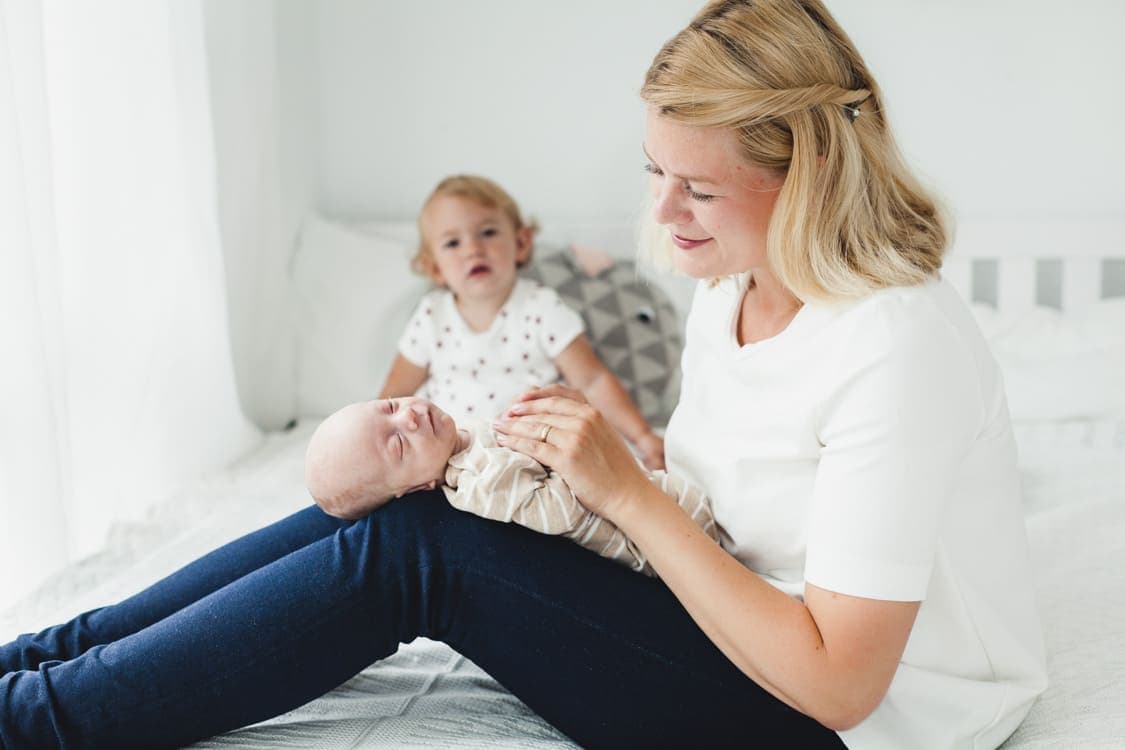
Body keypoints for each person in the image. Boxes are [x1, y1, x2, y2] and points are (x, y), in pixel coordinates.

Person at [0, 1, 1047, 748]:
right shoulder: (735, 282)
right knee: (404, 490)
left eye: (698, 189)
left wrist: (625, 494)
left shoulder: (895, 347)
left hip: (842, 720)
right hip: (728, 622)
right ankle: (41, 660)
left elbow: (840, 683)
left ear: (806, 177)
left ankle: (41, 721)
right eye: (654, 172)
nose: (665, 213)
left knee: (419, 550)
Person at [379, 174, 666, 471]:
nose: (473, 249)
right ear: (434, 267)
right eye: (453, 242)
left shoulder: (540, 307)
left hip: (532, 456)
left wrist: (643, 437)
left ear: (521, 243)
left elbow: (592, 381)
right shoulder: (431, 317)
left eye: (488, 233)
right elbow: (394, 396)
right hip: (453, 461)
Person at [304, 396, 718, 575]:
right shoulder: (476, 483)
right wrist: (559, 456)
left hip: (656, 500)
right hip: (638, 546)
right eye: (397, 444)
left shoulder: (461, 433)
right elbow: (555, 513)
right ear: (415, 491)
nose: (408, 418)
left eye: (390, 408)